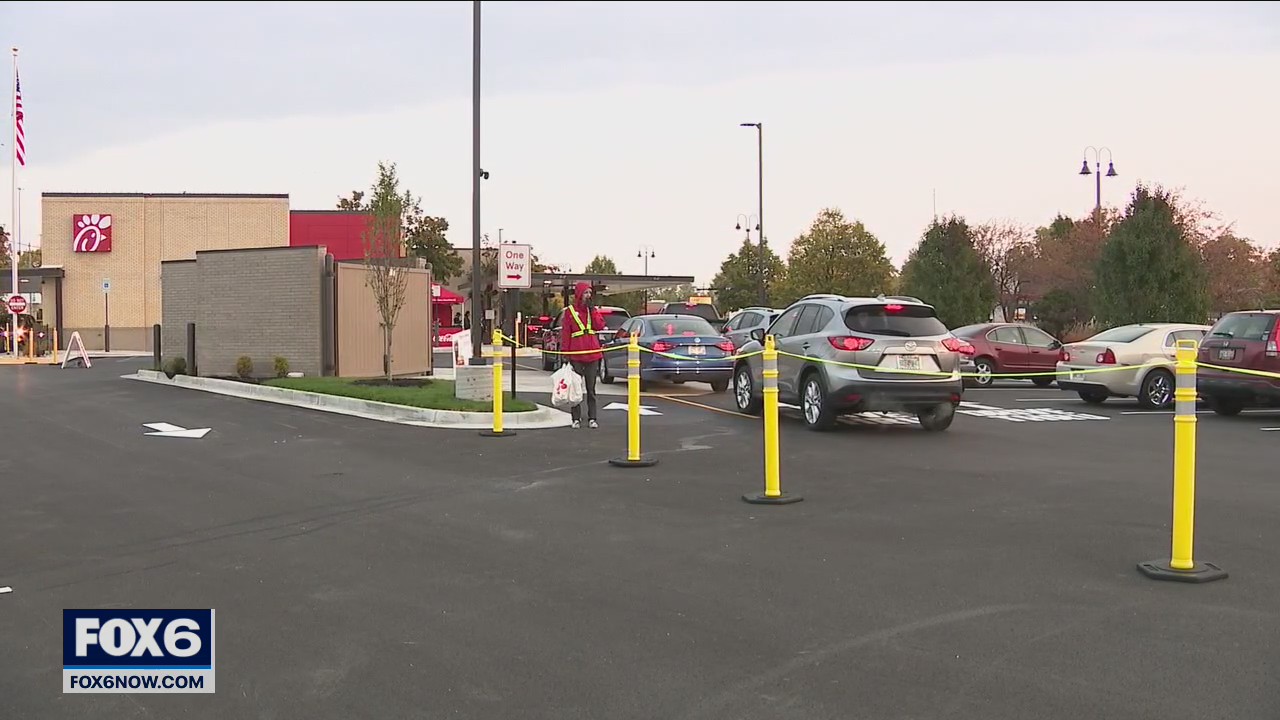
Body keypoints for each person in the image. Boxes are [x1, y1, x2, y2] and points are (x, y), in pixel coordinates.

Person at [559, 281, 605, 429]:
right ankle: (576, 418)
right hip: (576, 354)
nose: (588, 296)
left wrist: (593, 311)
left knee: (591, 389)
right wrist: (565, 353)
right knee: (575, 388)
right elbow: (566, 333)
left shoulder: (592, 310)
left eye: (590, 293)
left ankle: (593, 418)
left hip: (592, 354)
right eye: (586, 293)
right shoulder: (570, 312)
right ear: (579, 294)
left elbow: (600, 326)